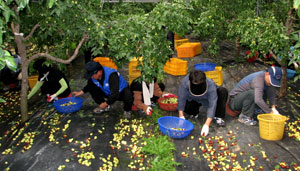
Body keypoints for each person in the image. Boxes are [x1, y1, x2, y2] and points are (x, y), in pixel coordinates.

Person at [177, 70, 228, 137]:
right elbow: (181, 98)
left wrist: (206, 125)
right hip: (193, 99)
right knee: (187, 108)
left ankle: (218, 116)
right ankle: (194, 112)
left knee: (222, 91)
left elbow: (212, 103)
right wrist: (181, 116)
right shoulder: (185, 82)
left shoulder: (210, 84)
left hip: (206, 99)